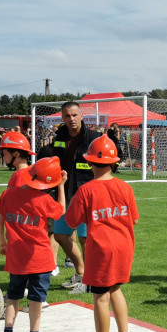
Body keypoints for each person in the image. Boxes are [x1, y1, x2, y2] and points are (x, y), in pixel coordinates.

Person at [65, 136, 140, 332]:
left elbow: (71, 221)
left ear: (90, 162)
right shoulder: (124, 186)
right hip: (124, 246)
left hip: (102, 249)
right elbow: (134, 220)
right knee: (116, 287)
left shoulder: (86, 190)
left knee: (100, 298)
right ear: (113, 162)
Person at [0, 157, 66, 332]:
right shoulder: (44, 199)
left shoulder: (8, 194)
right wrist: (62, 186)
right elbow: (61, 212)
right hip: (40, 258)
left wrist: (2, 243)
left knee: (13, 296)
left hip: (17, 257)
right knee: (36, 298)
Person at [38, 101, 102, 294]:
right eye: (67, 116)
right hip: (64, 195)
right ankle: (82, 272)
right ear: (63, 118)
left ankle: (90, 279)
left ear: (82, 116)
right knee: (60, 235)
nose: (71, 119)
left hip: (87, 195)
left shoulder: (94, 138)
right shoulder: (59, 137)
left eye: (74, 115)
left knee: (85, 239)